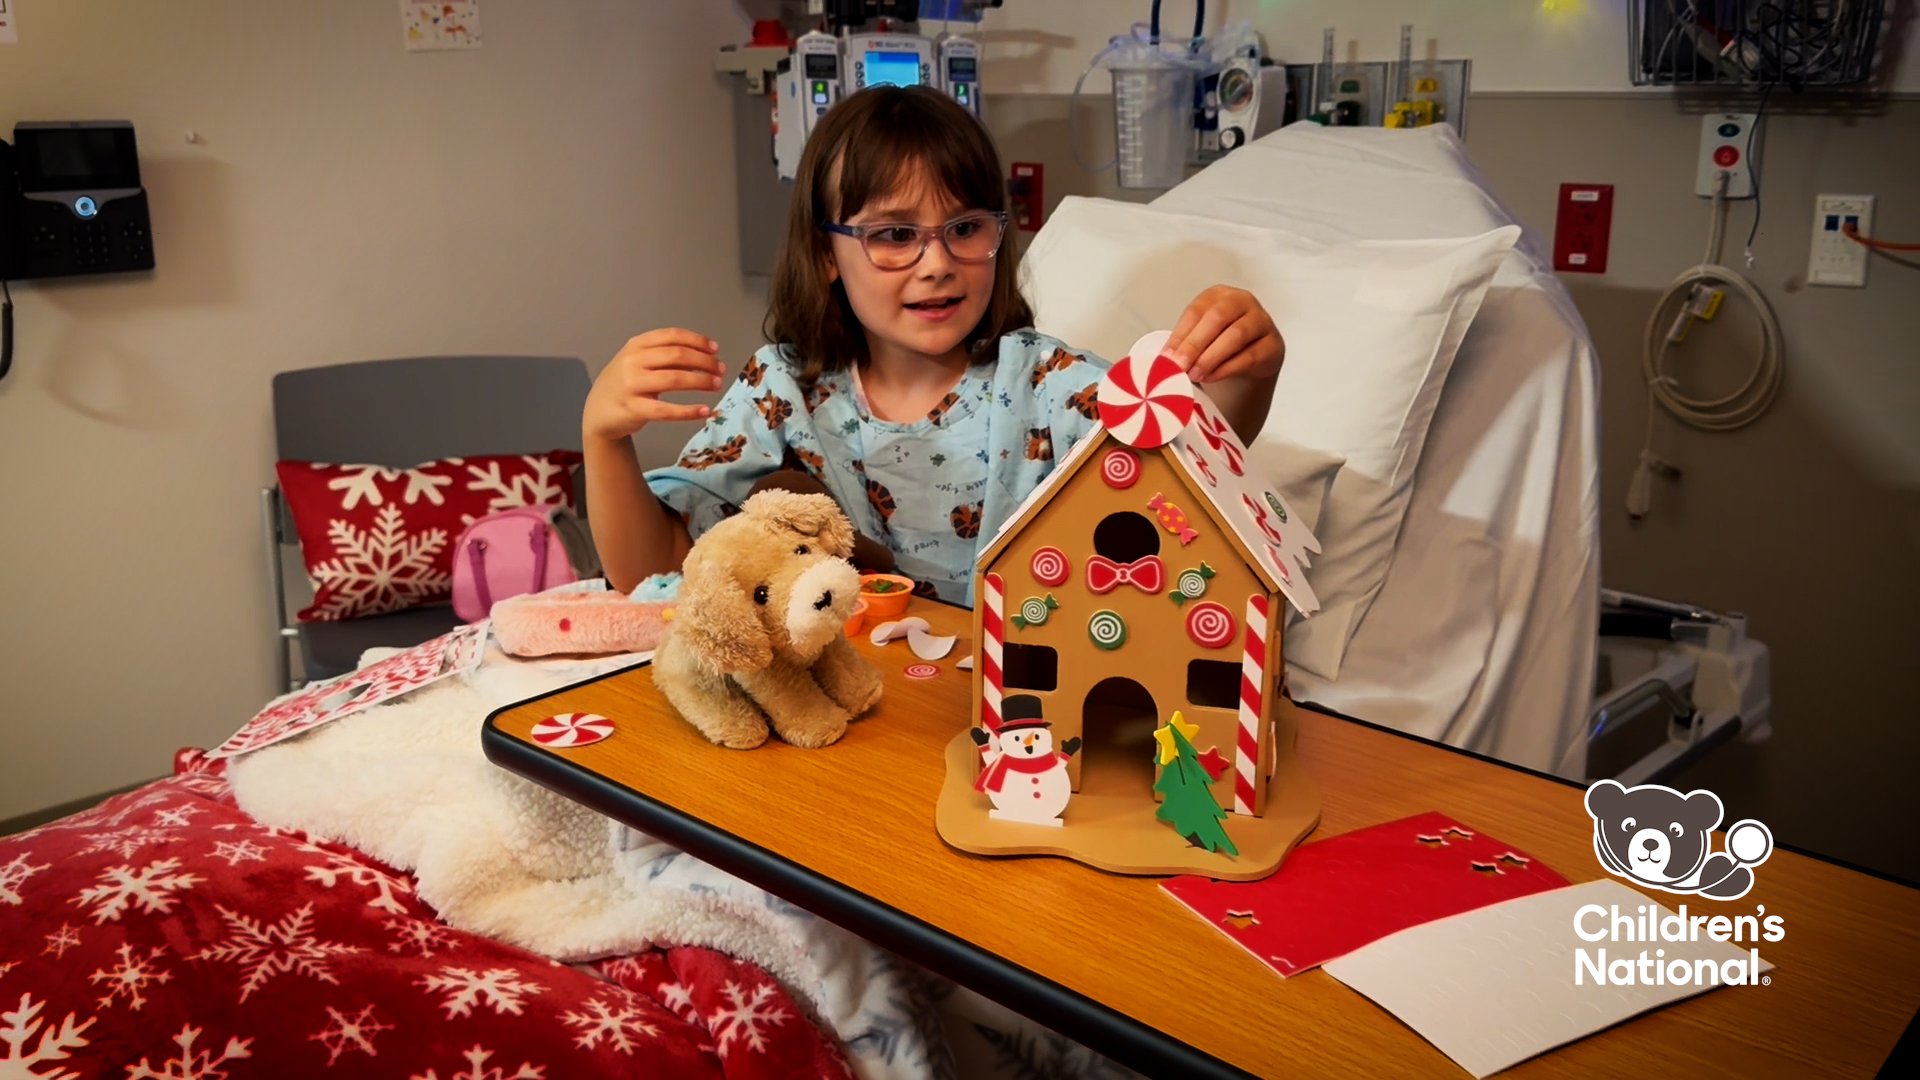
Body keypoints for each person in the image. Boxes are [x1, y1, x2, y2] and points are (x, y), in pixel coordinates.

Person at [582, 86, 1283, 604]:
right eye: (893, 235)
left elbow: (1186, 461)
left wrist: (1248, 373)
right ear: (826, 254)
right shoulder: (781, 394)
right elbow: (655, 570)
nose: (937, 262)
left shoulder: (1046, 385)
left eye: (966, 227)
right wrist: (604, 438)